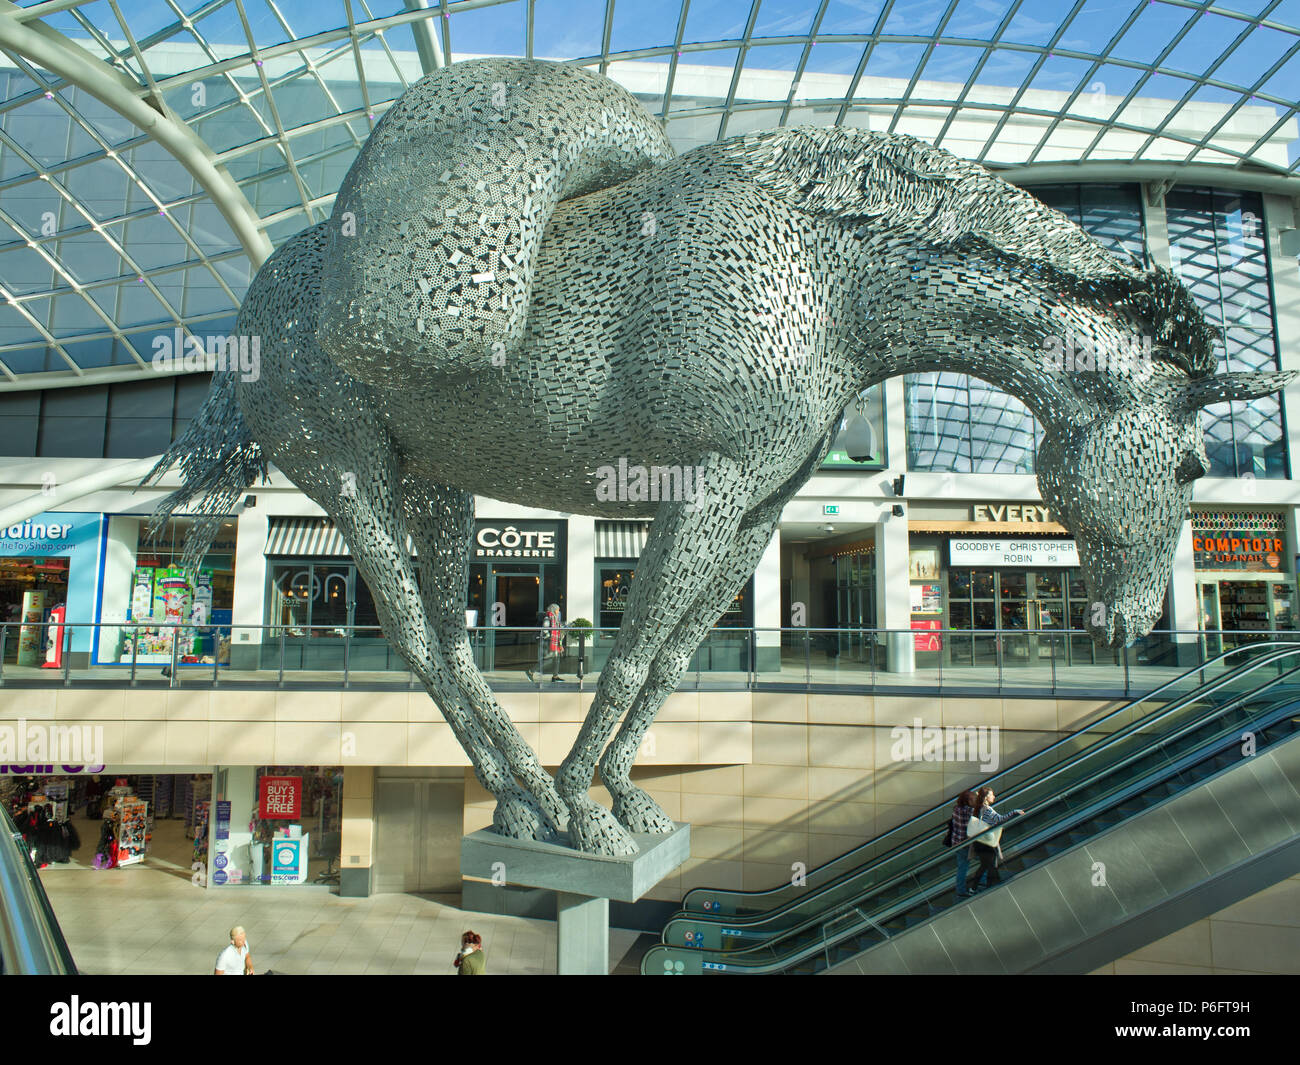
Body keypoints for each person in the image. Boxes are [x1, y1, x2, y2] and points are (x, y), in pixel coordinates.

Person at [967, 787, 1024, 895]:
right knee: (991, 865)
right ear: (986, 797)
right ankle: (989, 888)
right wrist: (1014, 812)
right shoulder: (987, 809)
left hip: (980, 843)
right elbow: (1000, 819)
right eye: (992, 795)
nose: (994, 796)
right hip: (986, 843)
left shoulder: (978, 808)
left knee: (985, 865)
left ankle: (978, 888)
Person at [944, 789, 978, 900]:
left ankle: (961, 890)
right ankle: (981, 882)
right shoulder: (969, 811)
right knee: (985, 859)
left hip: (956, 842)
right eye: (974, 799)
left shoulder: (957, 809)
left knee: (962, 867)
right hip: (966, 843)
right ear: (968, 801)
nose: (976, 801)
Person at [526, 603, 565, 683]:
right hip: (549, 642)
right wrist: (550, 637)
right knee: (548, 659)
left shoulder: (555, 618)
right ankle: (530, 671)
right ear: (553, 610)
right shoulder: (548, 617)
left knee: (556, 659)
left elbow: (557, 630)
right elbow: (545, 629)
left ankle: (555, 676)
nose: (558, 611)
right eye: (557, 610)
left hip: (555, 642)